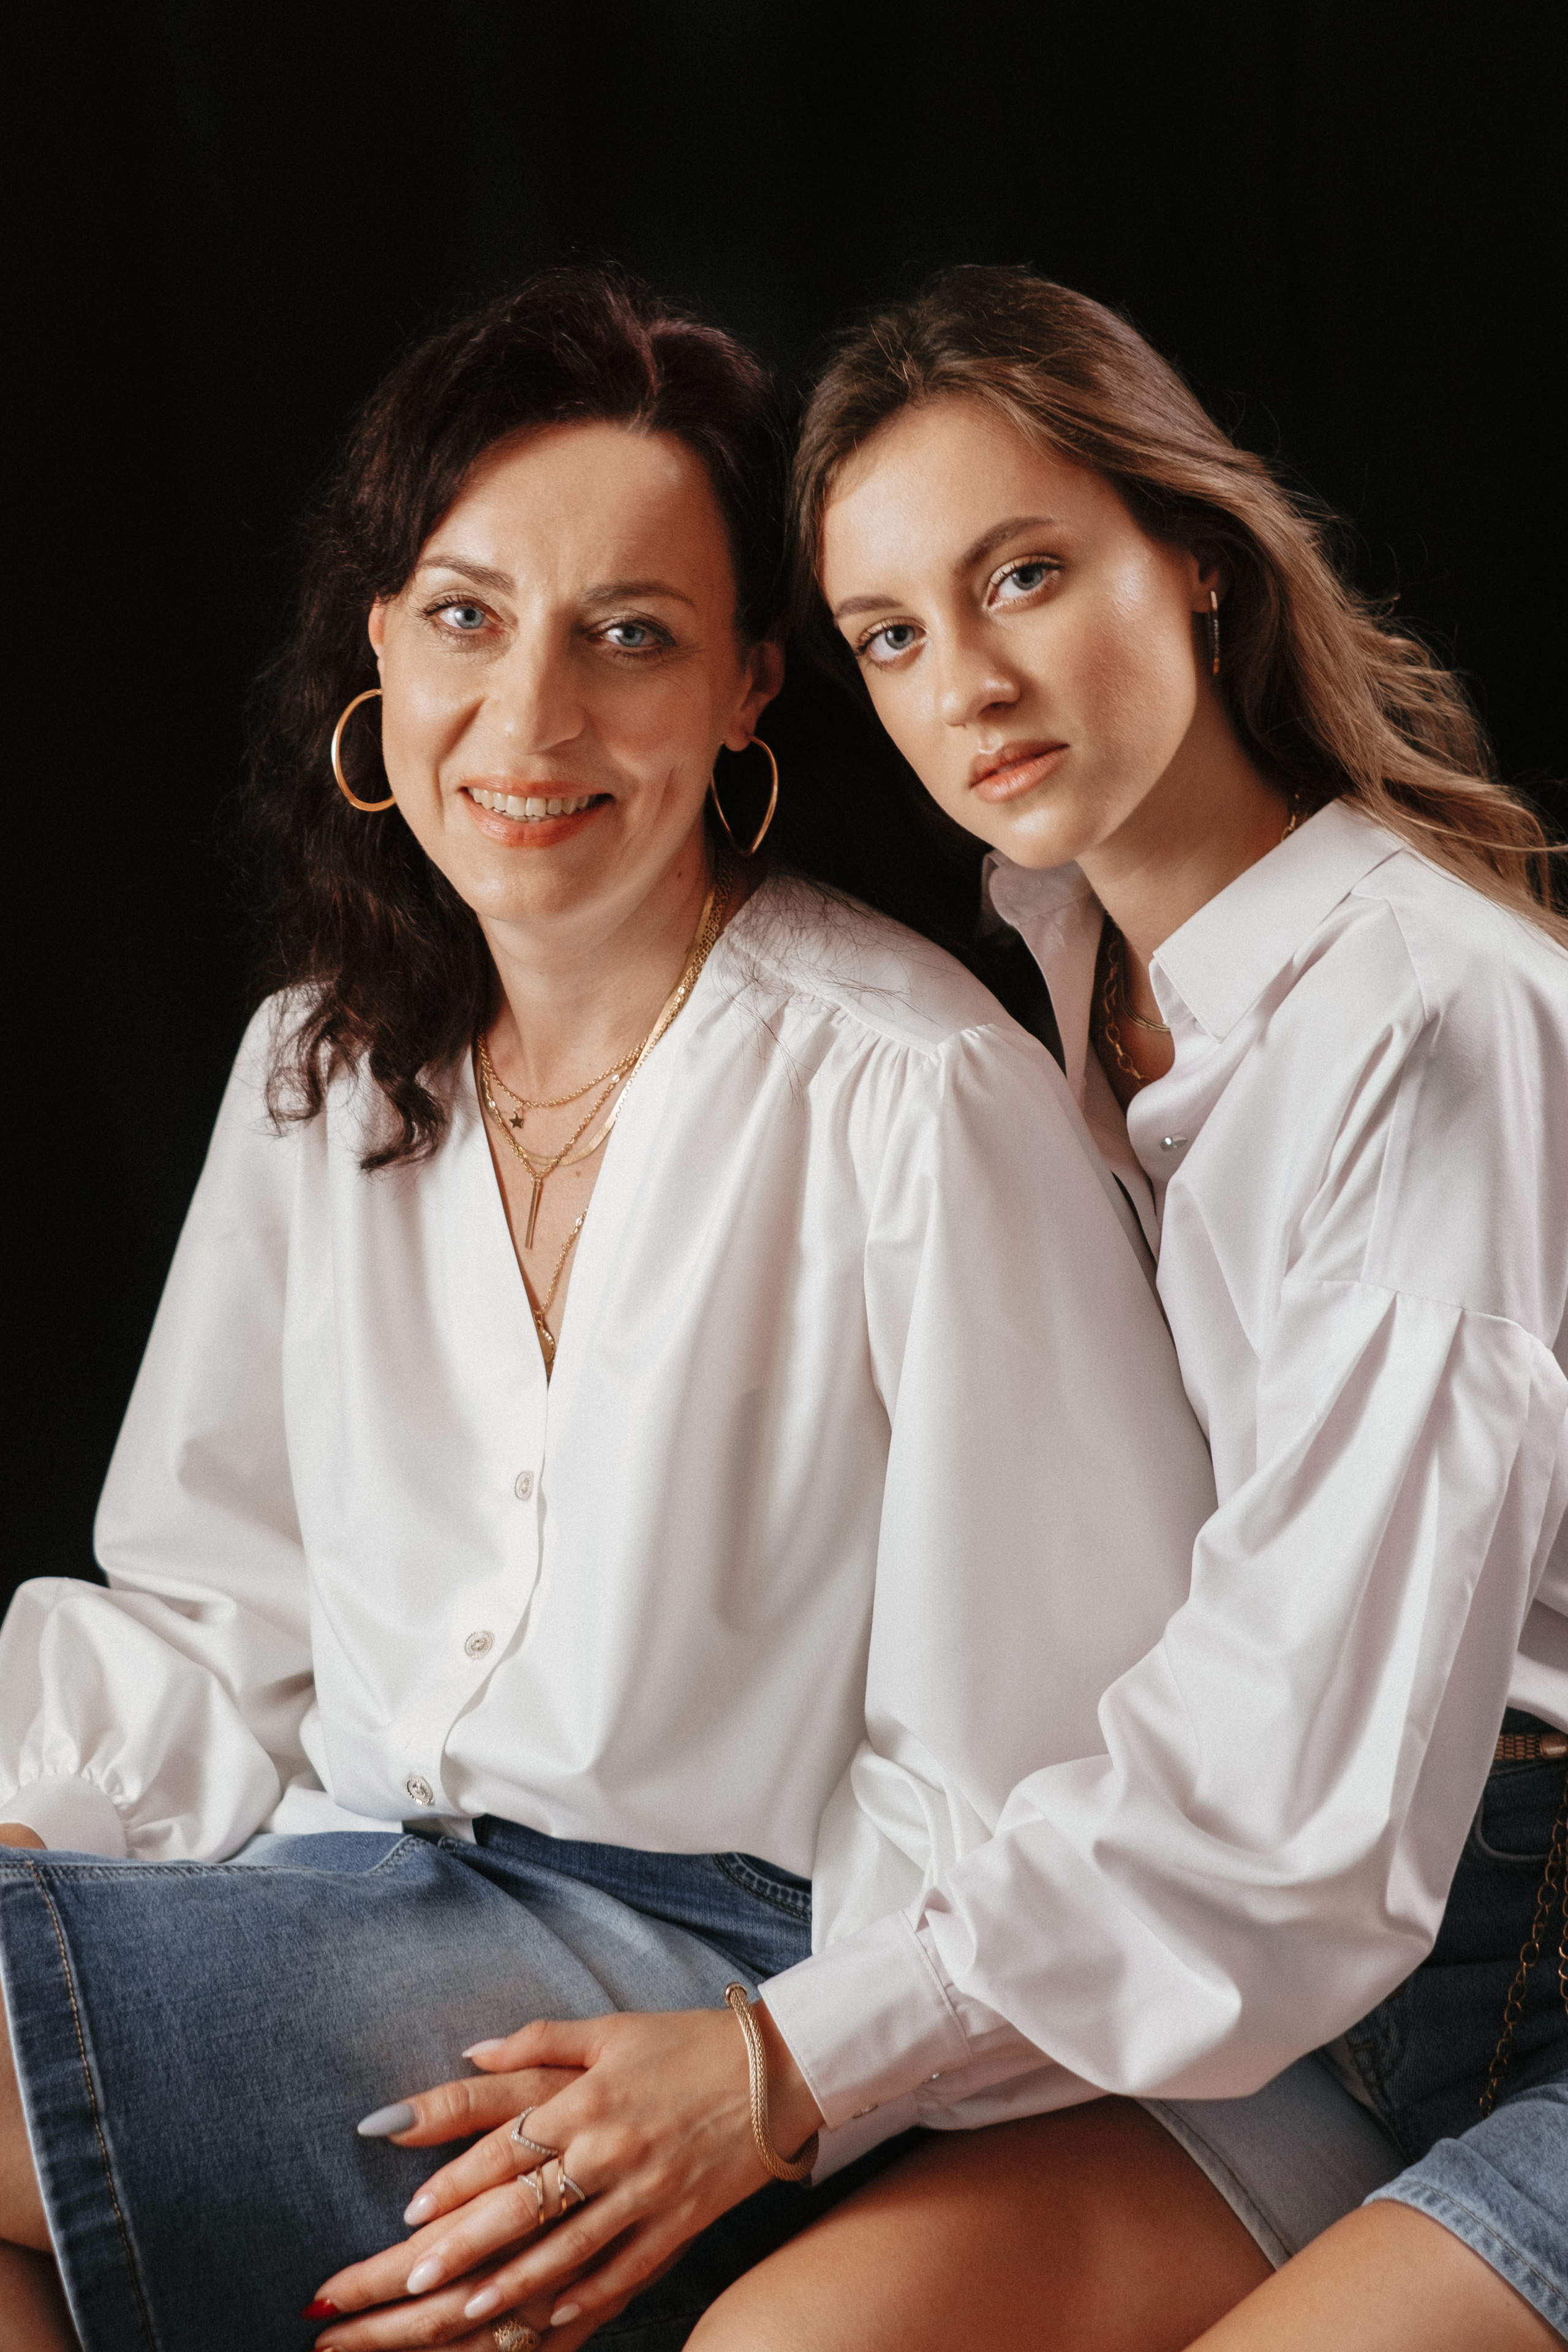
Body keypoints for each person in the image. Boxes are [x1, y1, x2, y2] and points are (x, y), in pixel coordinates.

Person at [0, 269, 1216, 2352]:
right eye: (469, 618)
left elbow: (1033, 1758)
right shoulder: (322, 1061)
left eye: (627, 638)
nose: (535, 721)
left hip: (715, 1995)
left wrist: (795, 2080)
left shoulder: (909, 1095)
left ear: (752, 684)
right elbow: (217, 1614)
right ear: (378, 648)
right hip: (339, 1894)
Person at [694, 265, 1567, 2350]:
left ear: (1193, 557)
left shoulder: (1423, 1020)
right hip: (1349, 1958)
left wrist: (785, 2065)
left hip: (1458, 1888)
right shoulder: (1081, 963)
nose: (966, 684)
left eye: (1023, 576)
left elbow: (1303, 1796)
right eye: (893, 636)